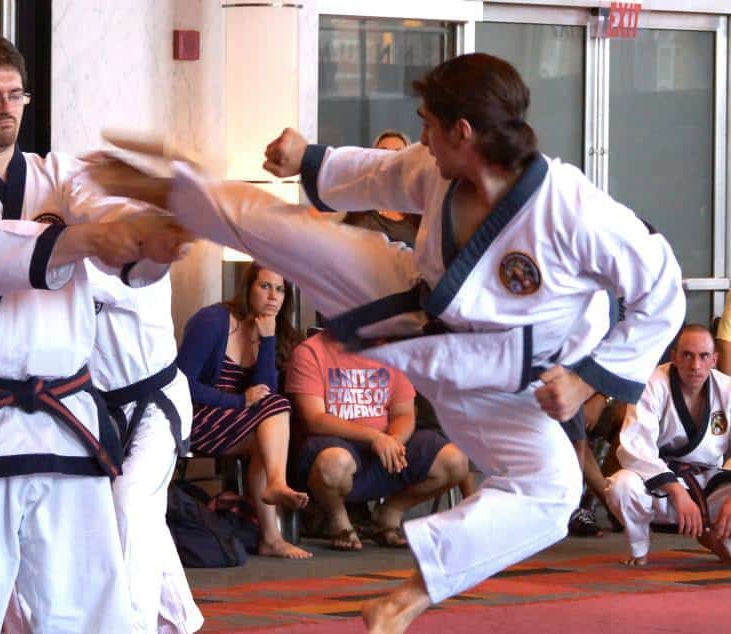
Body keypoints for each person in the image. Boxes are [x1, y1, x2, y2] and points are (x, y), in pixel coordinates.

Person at [89, 52, 685, 634]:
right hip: (417, 313)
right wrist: (309, 159)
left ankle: (403, 603)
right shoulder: (437, 168)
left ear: (463, 131)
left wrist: (585, 378)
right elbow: (382, 173)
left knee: (553, 493)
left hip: (510, 380)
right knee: (288, 235)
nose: (422, 139)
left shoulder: (571, 207)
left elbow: (661, 291)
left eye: (429, 125)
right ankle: (170, 190)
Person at [0, 30, 191, 632]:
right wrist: (81, 239)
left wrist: (150, 237)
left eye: (16, 94)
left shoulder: (60, 174)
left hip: (63, 422)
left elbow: (107, 219)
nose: (7, 108)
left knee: (86, 606)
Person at [91, 268, 203, 632]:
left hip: (158, 405)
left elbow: (81, 281)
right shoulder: (72, 250)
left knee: (129, 502)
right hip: (103, 410)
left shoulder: (145, 255)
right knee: (144, 517)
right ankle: (181, 620)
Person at [286, 330, 469, 550]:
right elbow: (314, 419)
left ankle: (390, 512)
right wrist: (375, 438)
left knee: (455, 461)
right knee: (333, 462)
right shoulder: (311, 351)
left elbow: (404, 413)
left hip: (385, 447)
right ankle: (338, 520)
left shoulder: (392, 351)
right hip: (335, 444)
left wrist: (394, 441)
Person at [177, 262, 310, 559]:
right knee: (275, 414)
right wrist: (238, 402)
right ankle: (275, 492)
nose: (273, 296)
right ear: (248, 288)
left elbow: (265, 393)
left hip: (240, 421)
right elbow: (181, 384)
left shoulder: (272, 330)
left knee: (270, 431)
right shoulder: (213, 320)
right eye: (265, 286)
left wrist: (268, 341)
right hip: (197, 418)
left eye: (280, 290)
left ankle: (271, 537)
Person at [606, 324, 731, 566]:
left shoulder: (727, 389)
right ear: (674, 356)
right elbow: (635, 446)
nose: (695, 365)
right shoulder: (651, 384)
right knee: (622, 485)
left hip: (709, 484)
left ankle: (712, 534)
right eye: (687, 355)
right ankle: (639, 547)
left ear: (714, 360)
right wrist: (677, 493)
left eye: (704, 356)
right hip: (661, 486)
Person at [341, 129, 421, 247]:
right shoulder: (355, 196)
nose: (390, 158)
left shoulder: (419, 206)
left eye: (398, 153)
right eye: (383, 152)